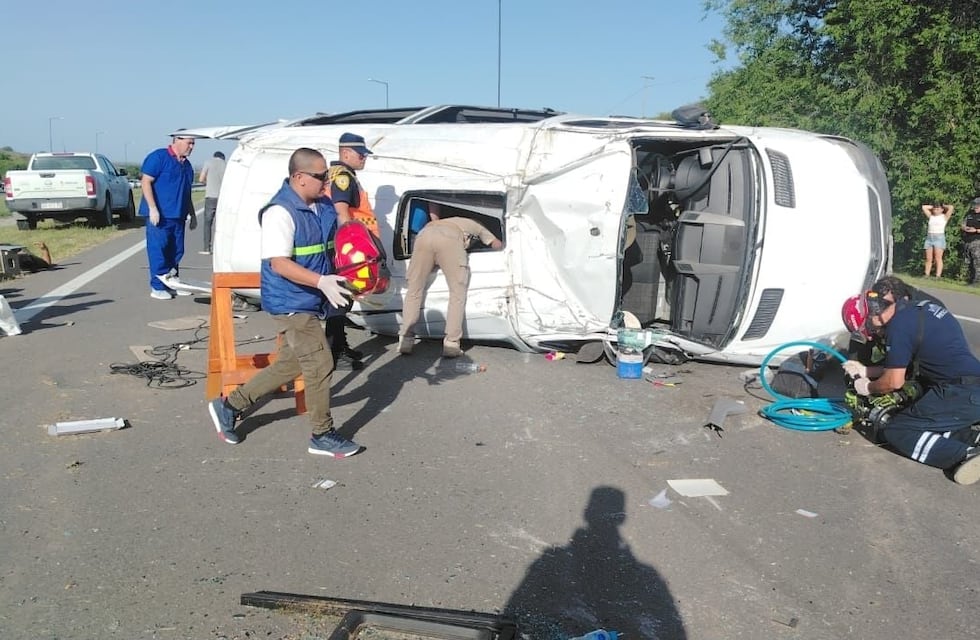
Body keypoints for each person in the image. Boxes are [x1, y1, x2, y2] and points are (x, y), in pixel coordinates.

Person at [207, 147, 361, 458]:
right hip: (290, 300)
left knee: (291, 363)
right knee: (320, 363)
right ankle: (322, 434)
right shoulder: (280, 212)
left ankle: (229, 405)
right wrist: (321, 281)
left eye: (327, 176)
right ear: (299, 178)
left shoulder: (322, 204)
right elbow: (279, 264)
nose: (326, 183)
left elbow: (337, 237)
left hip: (313, 296)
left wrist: (352, 271)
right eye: (321, 177)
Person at [840, 285, 980, 484]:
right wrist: (865, 371)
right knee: (926, 419)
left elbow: (894, 381)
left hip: (959, 392)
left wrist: (868, 387)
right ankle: (971, 437)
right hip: (970, 390)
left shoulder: (898, 328)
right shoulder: (918, 309)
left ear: (872, 316)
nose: (872, 334)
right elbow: (900, 366)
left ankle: (964, 455)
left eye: (866, 328)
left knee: (899, 429)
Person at [398, 204, 502, 358]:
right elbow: (496, 244)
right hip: (450, 239)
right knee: (457, 292)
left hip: (424, 235)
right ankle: (451, 343)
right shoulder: (476, 225)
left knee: (414, 290)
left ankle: (405, 339)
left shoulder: (445, 220)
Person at [324, 132, 378, 370]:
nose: (364, 158)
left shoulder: (344, 175)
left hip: (347, 248)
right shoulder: (342, 177)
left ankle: (340, 345)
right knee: (339, 300)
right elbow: (341, 211)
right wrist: (352, 246)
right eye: (360, 154)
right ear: (345, 153)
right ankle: (334, 354)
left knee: (344, 299)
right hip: (347, 250)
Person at [139, 131, 198, 300]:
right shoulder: (159, 157)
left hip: (178, 215)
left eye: (193, 144)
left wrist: (192, 215)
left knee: (176, 250)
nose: (192, 147)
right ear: (177, 140)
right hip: (160, 216)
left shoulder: (187, 166)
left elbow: (187, 192)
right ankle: (157, 286)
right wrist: (153, 208)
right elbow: (145, 181)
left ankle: (172, 282)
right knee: (159, 249)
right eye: (189, 143)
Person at [198, 151, 226, 255]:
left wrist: (208, 183)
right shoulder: (226, 165)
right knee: (221, 224)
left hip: (210, 196)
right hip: (222, 198)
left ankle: (207, 248)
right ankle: (221, 248)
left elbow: (201, 179)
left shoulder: (208, 162)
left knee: (208, 223)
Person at [920, 202, 953, 278]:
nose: (936, 210)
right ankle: (926, 274)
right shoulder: (931, 216)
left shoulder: (944, 217)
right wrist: (933, 206)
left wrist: (943, 206)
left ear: (942, 210)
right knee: (928, 258)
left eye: (938, 209)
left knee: (938, 258)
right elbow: (924, 207)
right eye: (935, 209)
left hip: (939, 238)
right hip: (929, 237)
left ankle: (938, 275)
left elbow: (951, 207)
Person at [960, 197, 980, 285]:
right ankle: (971, 280)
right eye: (975, 205)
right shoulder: (969, 214)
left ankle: (977, 281)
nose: (976, 207)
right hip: (968, 241)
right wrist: (965, 228)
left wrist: (976, 230)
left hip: (977, 241)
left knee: (977, 261)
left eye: (978, 205)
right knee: (969, 261)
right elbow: (962, 224)